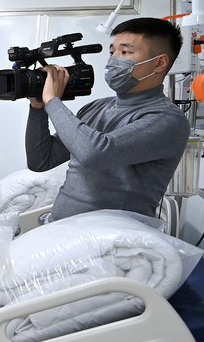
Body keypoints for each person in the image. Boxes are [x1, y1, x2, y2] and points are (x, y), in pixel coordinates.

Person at [26, 17, 190, 221]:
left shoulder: (167, 119)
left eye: (125, 52)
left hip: (111, 235)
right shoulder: (96, 107)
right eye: (112, 52)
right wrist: (38, 108)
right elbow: (41, 161)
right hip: (62, 229)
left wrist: (52, 101)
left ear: (159, 63)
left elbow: (94, 154)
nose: (113, 60)